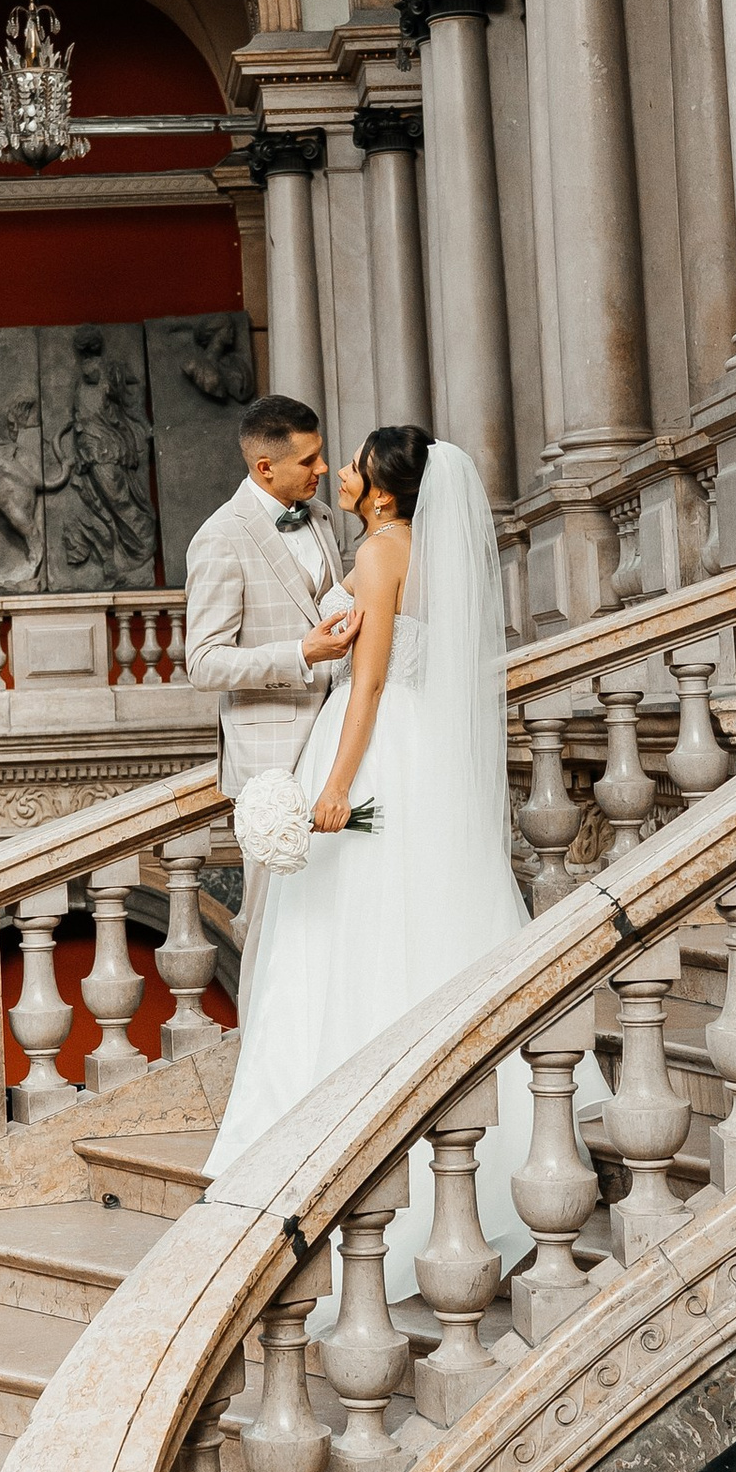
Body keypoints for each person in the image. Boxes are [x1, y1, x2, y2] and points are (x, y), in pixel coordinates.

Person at [206, 426, 533, 1298]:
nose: (337, 473)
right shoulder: (403, 546)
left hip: (378, 747)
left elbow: (375, 681)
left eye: (350, 464)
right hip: (413, 754)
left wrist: (337, 786)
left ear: (381, 489)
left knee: (352, 933)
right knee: (414, 921)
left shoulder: (386, 551)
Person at [182, 394, 351, 962]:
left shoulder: (322, 517)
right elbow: (203, 661)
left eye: (321, 456)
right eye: (309, 460)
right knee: (271, 925)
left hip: (339, 742)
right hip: (271, 763)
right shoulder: (219, 537)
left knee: (334, 920)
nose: (322, 469)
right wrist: (300, 652)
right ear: (264, 467)